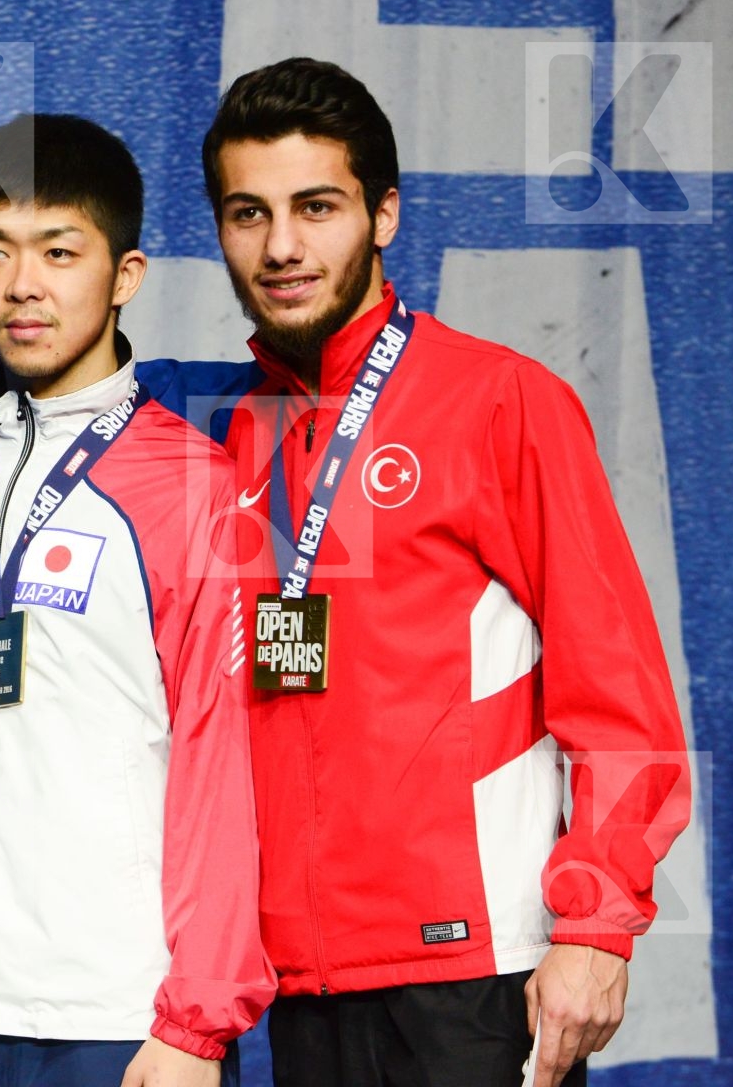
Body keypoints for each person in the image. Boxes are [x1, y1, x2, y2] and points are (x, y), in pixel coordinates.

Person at [204, 58, 692, 1087]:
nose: (281, 246)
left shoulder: (500, 402)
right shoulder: (231, 432)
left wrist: (597, 928)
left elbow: (619, 692)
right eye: (249, 213)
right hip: (295, 985)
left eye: (316, 207)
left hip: (473, 973)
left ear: (384, 214)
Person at [0, 114, 275, 1087]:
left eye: (59, 252)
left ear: (126, 274)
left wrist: (198, 1023)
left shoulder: (190, 486)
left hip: (119, 1017)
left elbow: (226, 765)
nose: (22, 285)